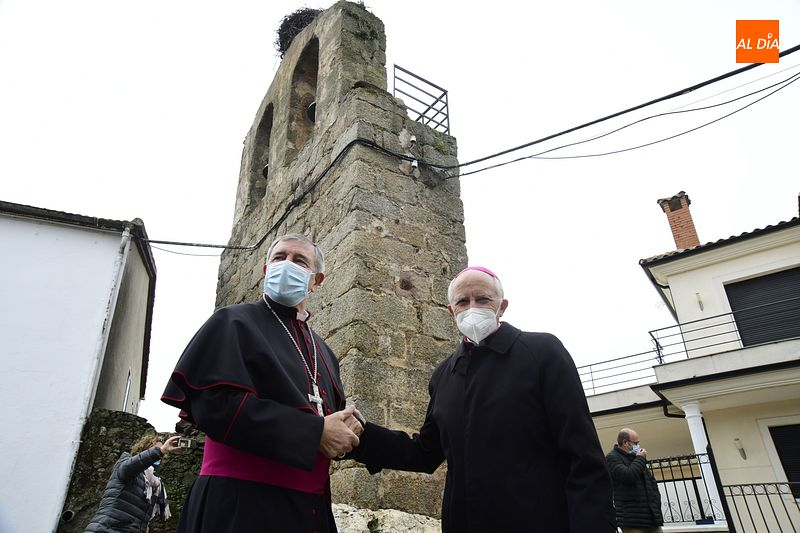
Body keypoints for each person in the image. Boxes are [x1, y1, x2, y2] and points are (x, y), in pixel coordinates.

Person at [348, 266, 616, 532]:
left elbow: (583, 456)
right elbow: (425, 454)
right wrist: (361, 436)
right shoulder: (444, 374)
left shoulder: (543, 353)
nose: (472, 307)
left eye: (483, 299)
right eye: (463, 301)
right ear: (451, 311)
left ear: (502, 306)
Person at [161, 234, 363, 533]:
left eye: (299, 261)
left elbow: (334, 423)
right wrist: (314, 431)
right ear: (266, 270)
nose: (286, 265)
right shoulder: (232, 321)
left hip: (309, 509)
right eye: (279, 258)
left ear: (316, 280)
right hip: (238, 503)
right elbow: (214, 406)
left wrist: (354, 428)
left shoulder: (325, 352)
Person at [84, 433, 179, 533]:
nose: (160, 454)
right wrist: (160, 451)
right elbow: (131, 466)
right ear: (144, 450)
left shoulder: (154, 484)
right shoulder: (125, 464)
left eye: (162, 452)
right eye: (156, 449)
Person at [605, 428, 664, 533]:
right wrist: (640, 459)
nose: (638, 446)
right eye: (636, 443)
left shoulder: (635, 457)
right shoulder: (612, 458)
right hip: (631, 519)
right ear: (625, 443)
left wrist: (656, 505)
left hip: (651, 517)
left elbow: (651, 483)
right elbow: (628, 476)